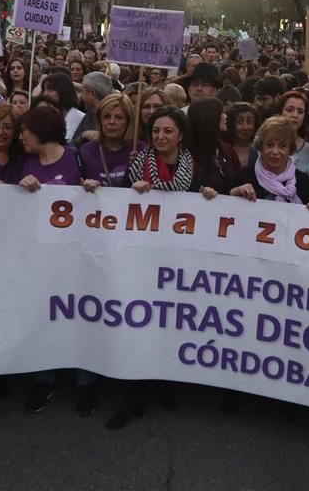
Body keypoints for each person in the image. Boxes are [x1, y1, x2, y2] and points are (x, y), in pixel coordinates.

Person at [109, 107, 217, 430]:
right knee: (137, 325)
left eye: (168, 131)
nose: (160, 137)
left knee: (169, 325)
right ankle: (132, 395)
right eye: (155, 131)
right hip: (141, 258)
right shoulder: (138, 166)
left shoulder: (196, 171)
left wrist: (209, 196)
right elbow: (117, 209)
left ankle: (165, 384)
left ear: (180, 135)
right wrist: (132, 190)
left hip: (177, 262)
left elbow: (204, 213)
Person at [13, 105, 87, 414]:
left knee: (83, 315)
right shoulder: (24, 162)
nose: (20, 137)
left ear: (41, 130)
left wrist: (90, 188)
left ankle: (86, 382)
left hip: (76, 255)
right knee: (42, 316)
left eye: (24, 130)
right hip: (37, 257)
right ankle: (43, 380)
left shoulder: (76, 158)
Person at [229, 117, 309, 206]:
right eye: (269, 145)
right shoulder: (243, 177)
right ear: (261, 146)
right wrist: (233, 195)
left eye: (282, 146)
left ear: (290, 149)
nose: (275, 152)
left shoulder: (303, 182)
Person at [80, 94, 143, 189]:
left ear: (128, 121)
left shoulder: (141, 150)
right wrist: (85, 185)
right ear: (99, 120)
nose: (112, 122)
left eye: (119, 117)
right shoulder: (87, 151)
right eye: (106, 116)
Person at [187, 98, 240, 194]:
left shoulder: (228, 150)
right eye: (221, 113)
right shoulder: (187, 155)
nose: (225, 117)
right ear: (210, 118)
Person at [272, 90, 309, 174]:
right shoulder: (266, 145)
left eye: (300, 112)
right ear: (280, 112)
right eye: (289, 110)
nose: (295, 115)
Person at [39, 73, 85, 144]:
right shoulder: (42, 116)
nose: (45, 94)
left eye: (50, 90)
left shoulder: (81, 118)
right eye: (44, 89)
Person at [71, 71, 114, 146]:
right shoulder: (89, 115)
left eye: (82, 91)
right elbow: (73, 146)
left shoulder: (115, 117)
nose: (80, 96)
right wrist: (83, 136)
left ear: (92, 94)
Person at [223, 102, 259, 168]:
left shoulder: (260, 151)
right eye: (239, 122)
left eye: (249, 122)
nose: (245, 127)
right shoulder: (223, 151)